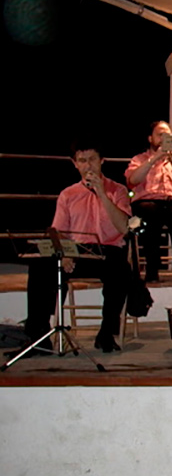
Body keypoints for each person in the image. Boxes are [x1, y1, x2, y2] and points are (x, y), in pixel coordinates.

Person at [21, 136, 131, 354]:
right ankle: (38, 335)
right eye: (82, 160)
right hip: (77, 250)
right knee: (41, 266)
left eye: (92, 159)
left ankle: (106, 333)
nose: (87, 165)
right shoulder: (68, 194)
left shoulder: (117, 190)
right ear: (75, 163)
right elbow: (58, 231)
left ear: (102, 161)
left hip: (107, 249)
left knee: (121, 271)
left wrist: (101, 192)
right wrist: (65, 254)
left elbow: (123, 227)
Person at [125, 121, 172, 282]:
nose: (165, 138)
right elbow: (133, 179)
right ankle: (152, 268)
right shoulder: (139, 159)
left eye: (168, 136)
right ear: (150, 138)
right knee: (150, 215)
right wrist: (154, 159)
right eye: (160, 135)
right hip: (146, 203)